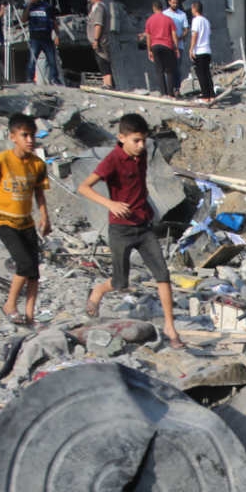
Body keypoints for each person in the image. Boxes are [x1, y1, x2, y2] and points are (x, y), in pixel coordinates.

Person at [79, 113, 184, 350]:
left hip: (144, 226)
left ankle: (170, 327)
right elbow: (84, 187)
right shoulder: (112, 160)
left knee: (163, 275)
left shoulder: (143, 154)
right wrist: (111, 204)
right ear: (121, 138)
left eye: (143, 141)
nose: (140, 146)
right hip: (120, 229)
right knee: (119, 282)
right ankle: (98, 291)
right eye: (135, 140)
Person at [0, 113, 51, 326]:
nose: (30, 140)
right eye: (25, 135)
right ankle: (10, 305)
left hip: (26, 222)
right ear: (13, 137)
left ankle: (30, 315)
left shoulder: (37, 165)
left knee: (33, 271)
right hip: (3, 219)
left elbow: (39, 193)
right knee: (23, 263)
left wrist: (45, 217)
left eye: (32, 135)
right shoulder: (1, 160)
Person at [22, 0, 62, 85]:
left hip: (46, 36)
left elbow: (54, 21)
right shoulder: (28, 7)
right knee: (32, 59)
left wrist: (57, 35)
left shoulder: (47, 7)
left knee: (51, 59)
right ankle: (30, 78)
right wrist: (28, 6)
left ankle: (54, 78)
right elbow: (23, 19)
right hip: (35, 37)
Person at [144, 0, 178, 97]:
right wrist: (176, 47)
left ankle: (163, 93)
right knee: (169, 71)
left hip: (155, 46)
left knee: (159, 71)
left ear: (154, 8)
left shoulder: (149, 20)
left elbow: (148, 37)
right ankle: (171, 94)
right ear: (162, 8)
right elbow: (174, 34)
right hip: (167, 46)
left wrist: (149, 50)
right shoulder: (168, 19)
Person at [86, 0, 112, 89]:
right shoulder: (94, 7)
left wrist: (96, 39)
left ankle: (108, 83)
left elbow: (98, 24)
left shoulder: (99, 7)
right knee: (100, 61)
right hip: (97, 40)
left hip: (101, 40)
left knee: (103, 60)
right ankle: (105, 83)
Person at [164, 0, 189, 93]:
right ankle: (168, 89)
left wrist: (180, 38)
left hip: (179, 45)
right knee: (168, 67)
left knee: (177, 67)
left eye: (176, 3)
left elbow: (186, 29)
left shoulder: (182, 14)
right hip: (168, 45)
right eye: (173, 2)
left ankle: (177, 89)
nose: (175, 4)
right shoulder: (165, 14)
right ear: (169, 2)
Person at [190, 1, 214, 101]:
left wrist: (191, 48)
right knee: (207, 73)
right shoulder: (206, 21)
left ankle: (205, 96)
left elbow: (195, 35)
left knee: (201, 74)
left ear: (195, 9)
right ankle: (211, 95)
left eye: (192, 8)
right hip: (207, 50)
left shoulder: (196, 20)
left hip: (199, 51)